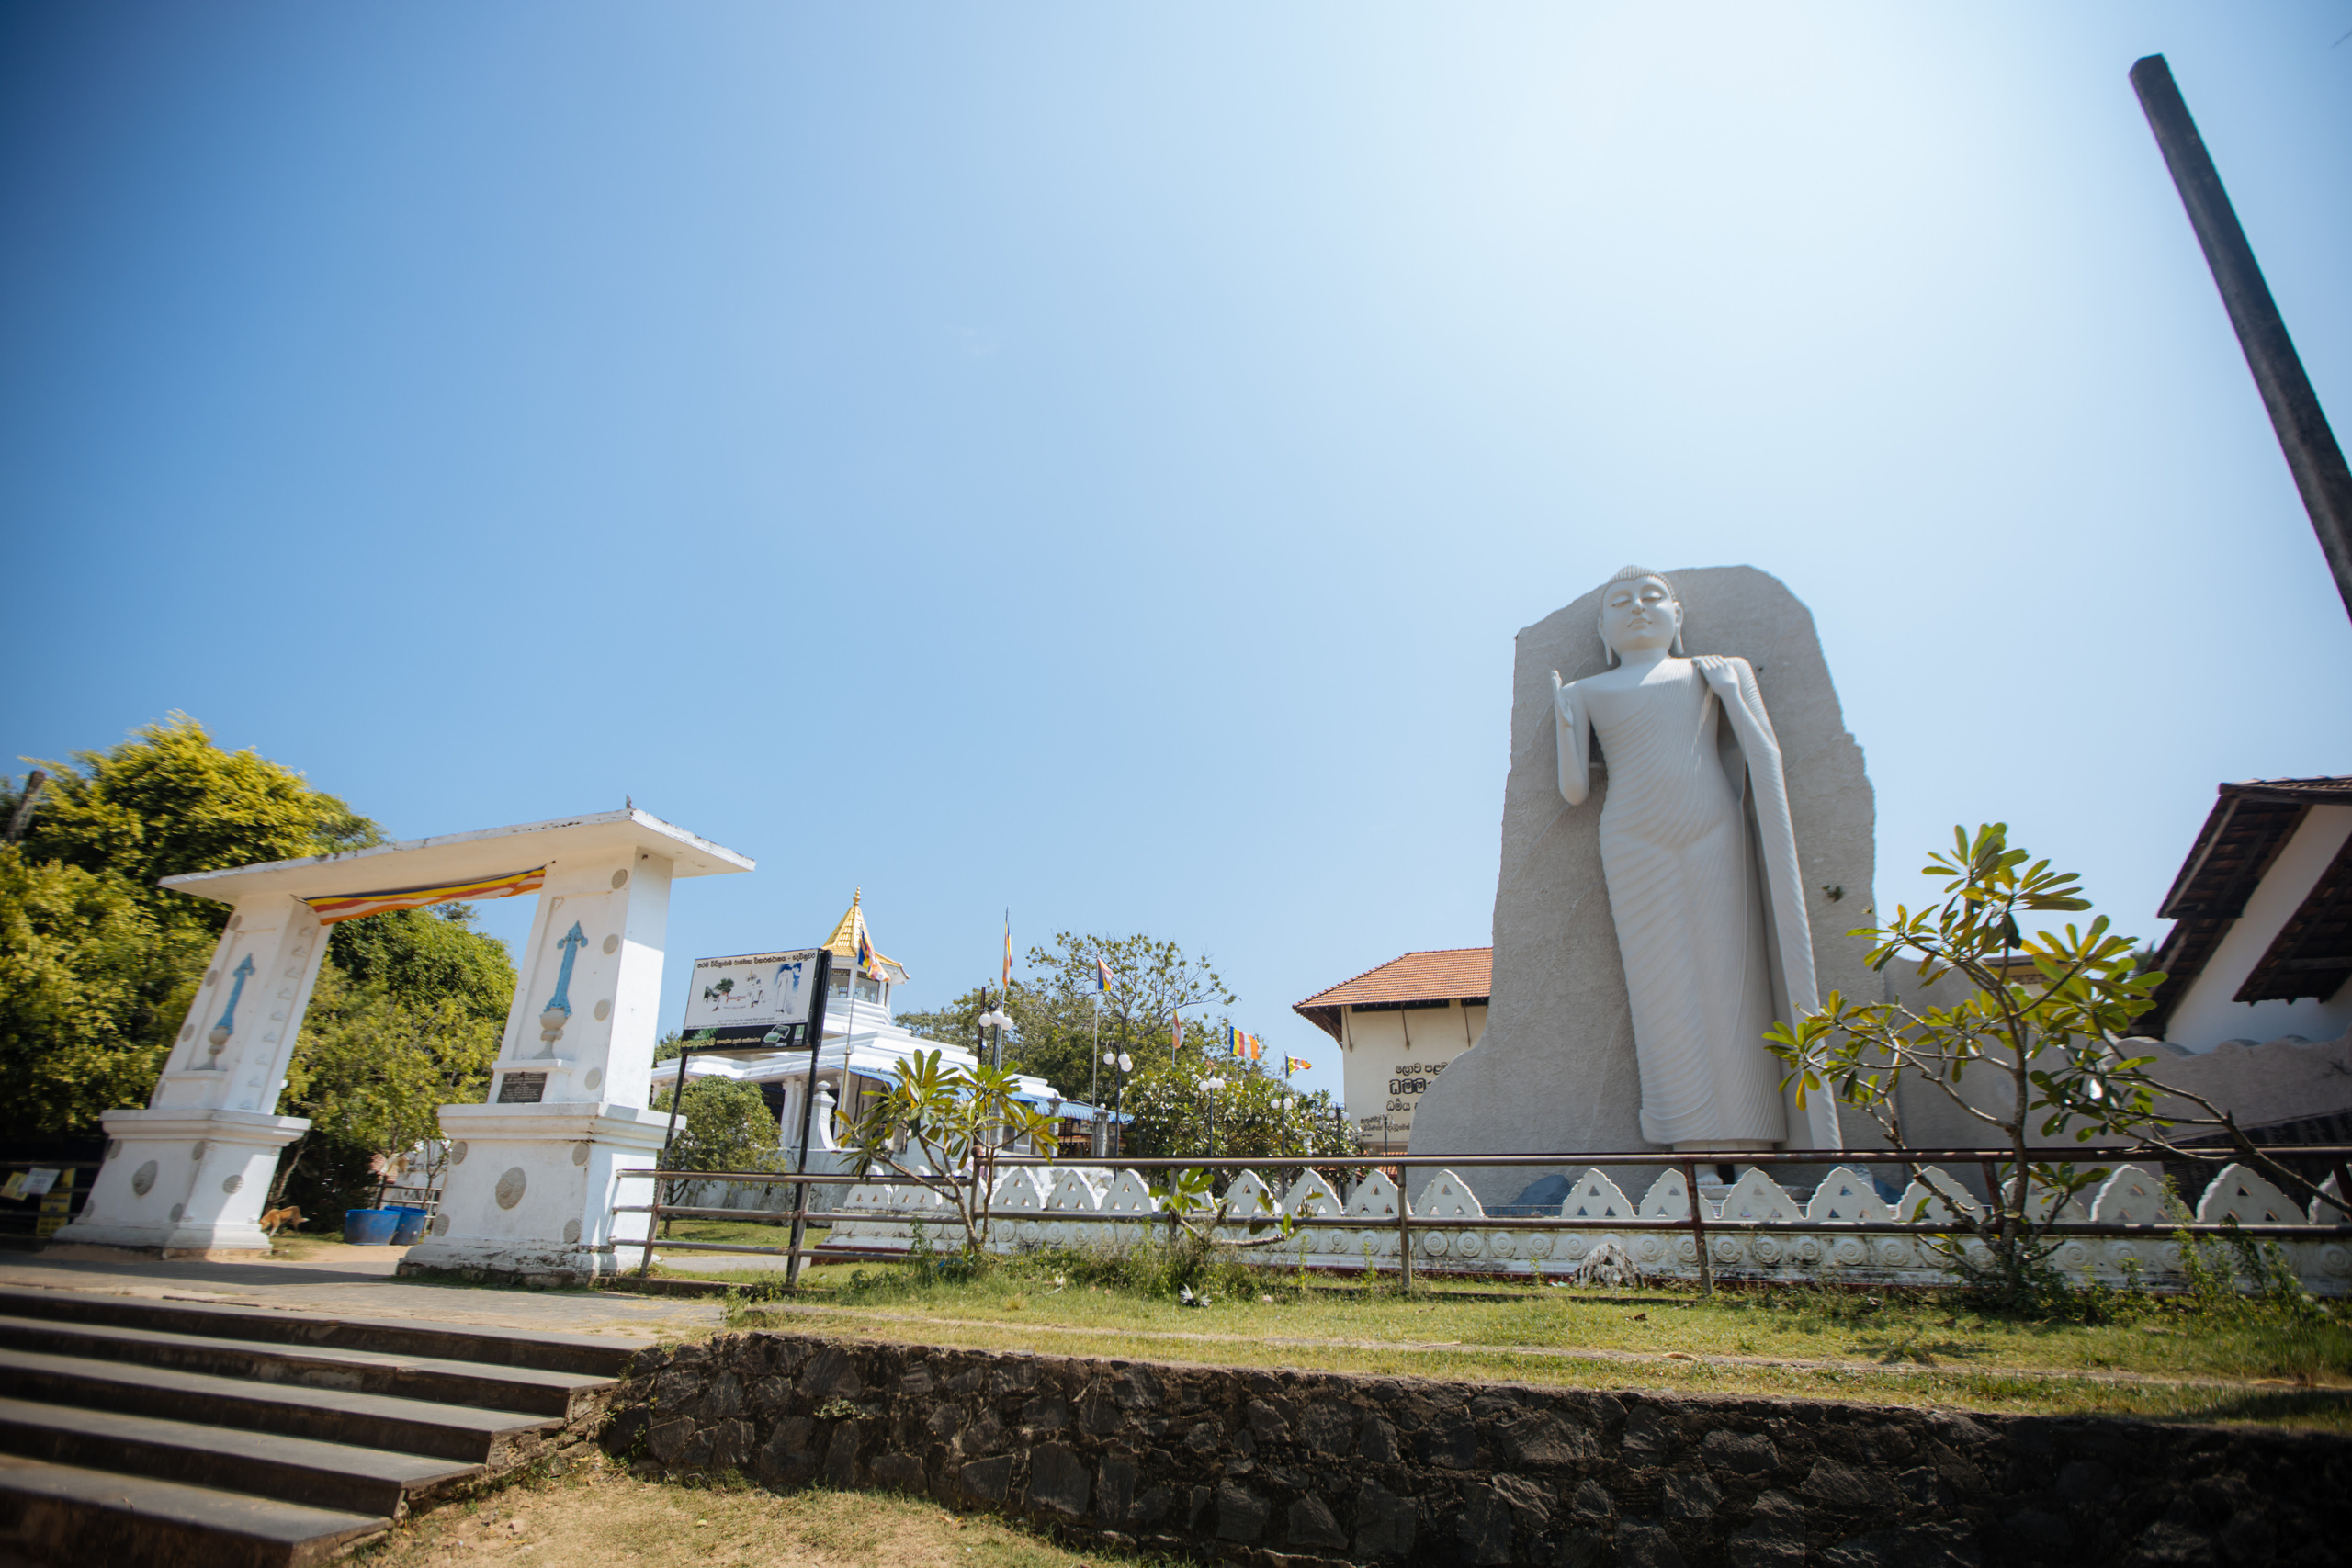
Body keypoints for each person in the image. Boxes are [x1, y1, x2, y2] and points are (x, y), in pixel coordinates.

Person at [1553, 566, 1839, 1150]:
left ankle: (1754, 1139)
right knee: (1662, 988)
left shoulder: (1717, 671)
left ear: (1678, 616)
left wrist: (1734, 695)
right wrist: (1562, 720)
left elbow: (1764, 754)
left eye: (1652, 597)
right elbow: (1576, 791)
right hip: (1632, 837)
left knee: (1731, 976)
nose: (1638, 607)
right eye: (1621, 602)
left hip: (1712, 825)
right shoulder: (1585, 692)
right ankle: (1691, 1146)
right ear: (1602, 627)